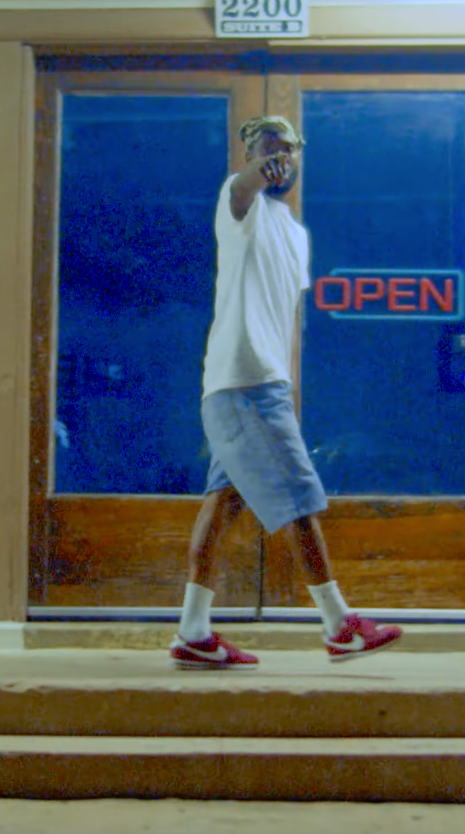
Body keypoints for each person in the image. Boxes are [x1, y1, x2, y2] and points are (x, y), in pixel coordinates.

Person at [171, 115, 404, 670]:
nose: (276, 159)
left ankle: (193, 632)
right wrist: (257, 172)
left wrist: (288, 388)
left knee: (224, 503)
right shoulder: (239, 202)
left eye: (285, 150)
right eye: (264, 150)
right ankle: (339, 625)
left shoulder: (295, 235)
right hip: (245, 382)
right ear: (250, 158)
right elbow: (245, 185)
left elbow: (286, 320)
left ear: (300, 155)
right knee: (299, 494)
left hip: (260, 384)